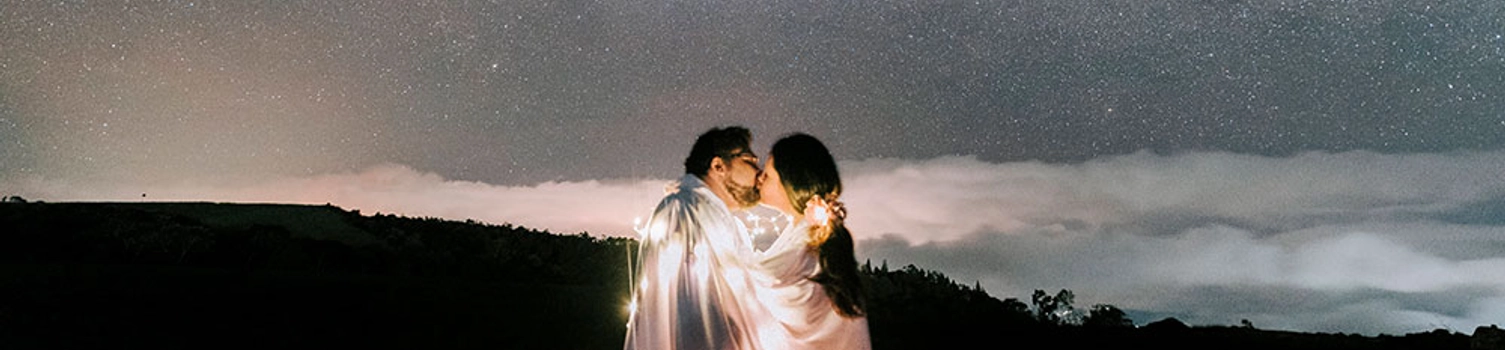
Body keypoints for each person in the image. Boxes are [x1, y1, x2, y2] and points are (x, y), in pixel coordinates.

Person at [624, 126, 767, 350]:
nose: (760, 173)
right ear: (718, 165)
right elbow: (691, 311)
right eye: (751, 160)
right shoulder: (682, 210)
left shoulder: (724, 221)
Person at [746, 133, 871, 349]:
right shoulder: (813, 240)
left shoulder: (805, 249)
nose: (758, 179)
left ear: (790, 185)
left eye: (767, 175)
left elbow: (748, 284)